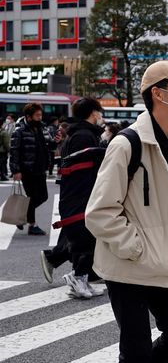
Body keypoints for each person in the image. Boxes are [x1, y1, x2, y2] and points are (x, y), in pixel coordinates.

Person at [86, 61, 168, 362]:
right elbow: (99, 211)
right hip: (129, 264)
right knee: (136, 349)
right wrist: (134, 247)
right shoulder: (127, 144)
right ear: (159, 93)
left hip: (161, 260)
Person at [41, 98, 106, 297]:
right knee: (87, 237)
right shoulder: (84, 135)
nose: (101, 116)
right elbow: (81, 169)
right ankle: (77, 277)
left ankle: (80, 278)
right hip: (82, 194)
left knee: (85, 237)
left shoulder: (80, 133)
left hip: (79, 193)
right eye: (99, 112)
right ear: (93, 113)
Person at [10, 102, 59, 235]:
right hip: (27, 169)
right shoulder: (19, 130)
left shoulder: (42, 128)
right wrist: (16, 170)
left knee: (43, 196)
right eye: (37, 115)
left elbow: (50, 145)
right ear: (29, 116)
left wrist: (56, 141)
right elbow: (14, 151)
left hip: (41, 168)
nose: (40, 117)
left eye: (40, 115)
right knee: (32, 196)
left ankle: (22, 217)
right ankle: (32, 225)